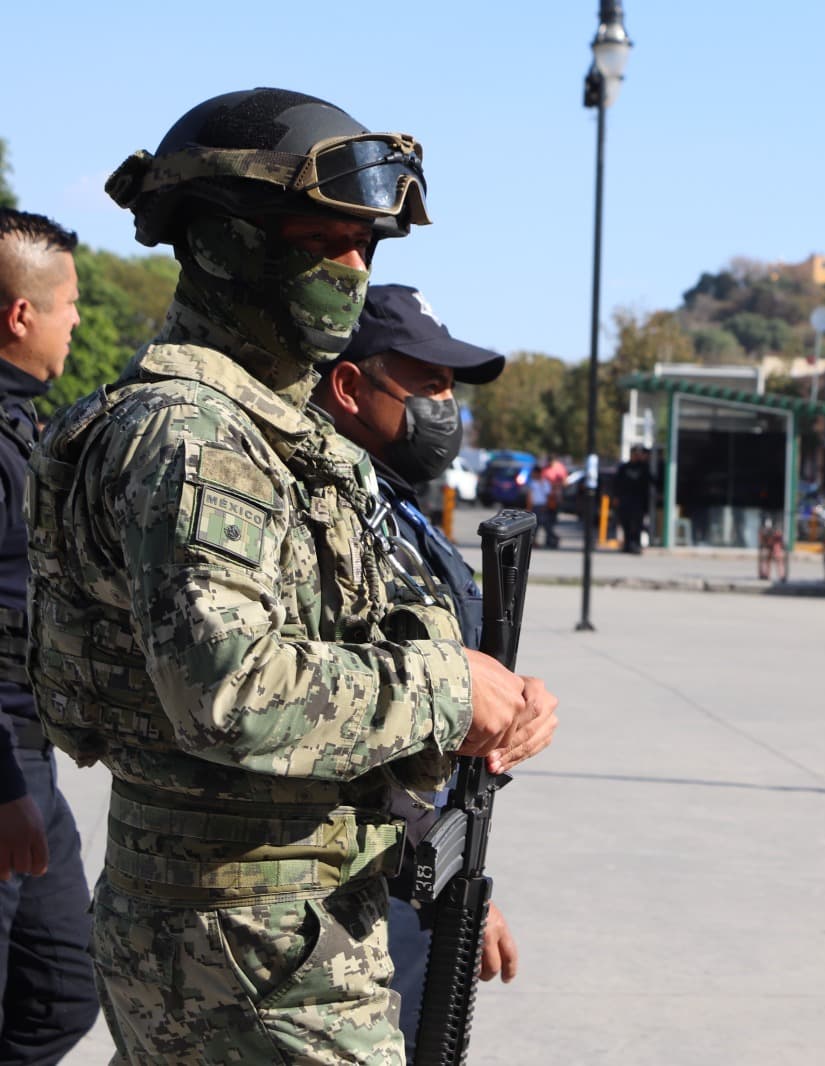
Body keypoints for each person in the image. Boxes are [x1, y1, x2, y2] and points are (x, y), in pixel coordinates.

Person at [30, 88, 556, 1064]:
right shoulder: (196, 437)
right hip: (260, 947)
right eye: (329, 241)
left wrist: (479, 694)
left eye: (368, 248)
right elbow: (229, 692)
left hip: (245, 928)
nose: (354, 271)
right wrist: (449, 689)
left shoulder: (255, 432)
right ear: (230, 244)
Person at [311, 284, 524, 1059]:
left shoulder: (394, 513)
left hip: (410, 860)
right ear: (348, 387)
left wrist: (461, 886)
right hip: (345, 882)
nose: (446, 405)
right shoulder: (317, 520)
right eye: (428, 384)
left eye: (450, 387)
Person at [0, 208, 99, 1063]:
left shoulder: (26, 427)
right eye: (67, 303)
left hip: (29, 753)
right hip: (0, 760)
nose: (78, 317)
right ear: (20, 315)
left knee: (64, 989)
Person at [614, 444, 655, 554]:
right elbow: (616, 484)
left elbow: (652, 481)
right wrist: (616, 497)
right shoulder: (624, 468)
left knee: (637, 524)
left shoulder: (644, 467)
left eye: (639, 454)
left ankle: (636, 544)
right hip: (625, 501)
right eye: (635, 453)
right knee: (625, 523)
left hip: (639, 501)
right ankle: (627, 544)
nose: (636, 456)